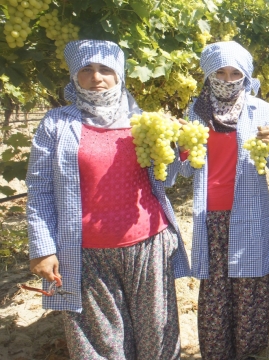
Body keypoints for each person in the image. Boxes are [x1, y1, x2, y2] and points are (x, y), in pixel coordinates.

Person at [26, 40, 191, 359]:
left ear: (120, 75)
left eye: (106, 69)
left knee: (157, 337)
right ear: (74, 77)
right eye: (86, 69)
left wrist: (179, 147)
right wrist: (43, 248)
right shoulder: (56, 124)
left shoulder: (142, 122)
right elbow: (39, 189)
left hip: (148, 246)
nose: (96, 76)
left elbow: (166, 177)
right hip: (86, 254)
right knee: (98, 345)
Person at [166, 41, 269, 360]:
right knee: (215, 294)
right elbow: (188, 170)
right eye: (220, 71)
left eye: (235, 73)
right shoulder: (197, 110)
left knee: (249, 291)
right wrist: (182, 146)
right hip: (212, 217)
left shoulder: (260, 109)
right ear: (209, 73)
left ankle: (248, 353)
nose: (228, 78)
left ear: (245, 75)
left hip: (248, 212)